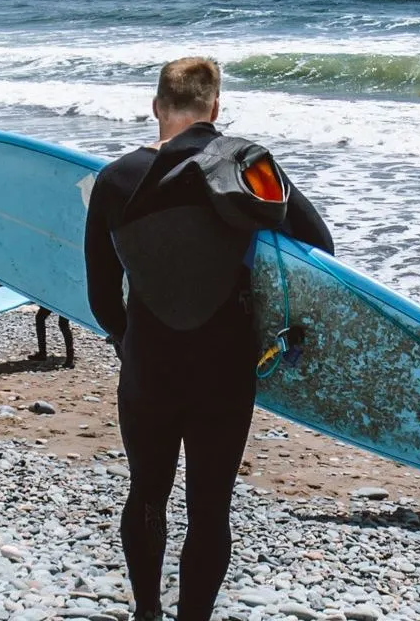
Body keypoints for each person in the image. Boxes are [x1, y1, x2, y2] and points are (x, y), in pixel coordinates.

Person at [85, 57, 333, 621]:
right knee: (209, 509)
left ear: (156, 107)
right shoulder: (248, 167)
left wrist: (130, 343)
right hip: (224, 366)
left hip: (149, 363)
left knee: (147, 493)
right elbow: (320, 247)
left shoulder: (115, 179)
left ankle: (147, 611)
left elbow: (101, 294)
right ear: (215, 108)